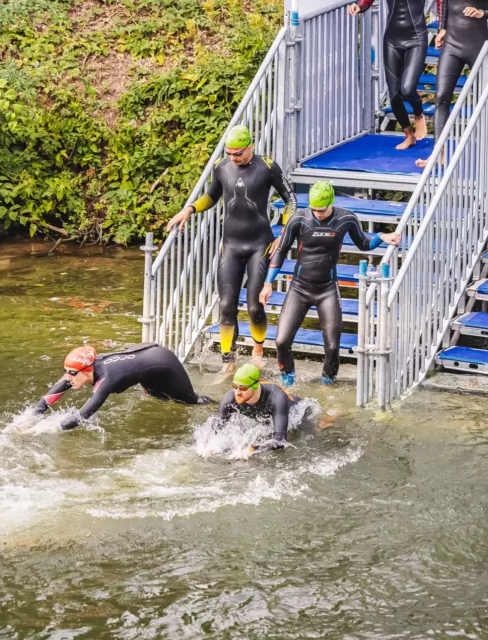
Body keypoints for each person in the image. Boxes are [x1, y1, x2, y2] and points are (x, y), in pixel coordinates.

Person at [166, 125, 296, 378]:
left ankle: (258, 352)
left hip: (261, 244)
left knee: (255, 306)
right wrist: (189, 210)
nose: (233, 158)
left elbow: (290, 199)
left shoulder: (268, 167)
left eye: (238, 153)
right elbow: (211, 196)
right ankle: (228, 359)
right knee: (226, 305)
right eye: (229, 153)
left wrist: (282, 231)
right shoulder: (221, 166)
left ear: (250, 147)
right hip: (231, 245)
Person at [262, 181, 400, 385]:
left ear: (331, 203)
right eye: (314, 210)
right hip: (299, 288)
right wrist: (268, 283)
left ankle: (327, 385)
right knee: (281, 341)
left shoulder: (346, 218)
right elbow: (281, 250)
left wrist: (382, 236)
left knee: (333, 347)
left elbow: (363, 244)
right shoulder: (299, 218)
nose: (318, 214)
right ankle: (288, 383)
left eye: (322, 210)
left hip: (327, 289)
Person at [348, 0, 443, 151]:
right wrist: (358, 7)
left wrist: (441, 28)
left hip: (416, 38)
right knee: (393, 95)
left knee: (408, 88)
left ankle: (419, 114)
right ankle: (408, 134)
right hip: (392, 39)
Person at [30, 343, 213, 432]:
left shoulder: (106, 378)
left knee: (189, 401)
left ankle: (216, 405)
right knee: (159, 398)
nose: (67, 378)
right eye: (66, 372)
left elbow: (83, 415)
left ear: (86, 371)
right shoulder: (82, 370)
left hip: (163, 362)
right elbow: (53, 393)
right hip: (145, 365)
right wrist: (30, 418)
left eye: (71, 373)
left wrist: (45, 429)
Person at [430, 0, 488, 143]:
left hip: (477, 45)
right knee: (441, 98)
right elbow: (445, 1)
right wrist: (442, 28)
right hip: (453, 44)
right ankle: (439, 152)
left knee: (487, 99)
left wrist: (481, 13)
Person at [212, 363, 298, 452]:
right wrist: (209, 447)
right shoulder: (230, 398)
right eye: (234, 386)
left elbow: (280, 440)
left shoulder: (276, 397)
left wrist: (251, 450)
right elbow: (216, 429)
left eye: (243, 388)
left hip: (296, 411)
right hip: (267, 418)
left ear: (255, 386)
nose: (237, 392)